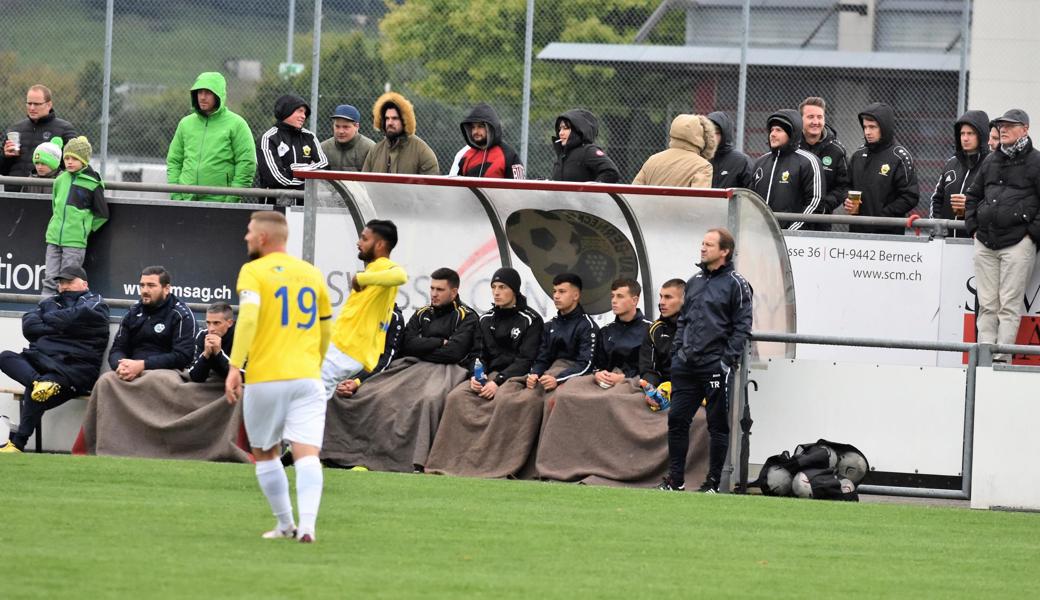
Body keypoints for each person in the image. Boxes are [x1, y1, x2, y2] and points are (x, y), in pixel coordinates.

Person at [224, 211, 333, 543]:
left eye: (248, 232)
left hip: (266, 376)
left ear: (262, 238)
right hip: (307, 376)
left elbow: (248, 319)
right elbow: (326, 326)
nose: (245, 237)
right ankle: (309, 526)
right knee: (307, 452)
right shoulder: (312, 273)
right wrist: (314, 361)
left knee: (265, 451)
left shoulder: (253, 271)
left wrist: (235, 366)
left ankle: (286, 523)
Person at [322, 268, 478, 473]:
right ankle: (340, 454)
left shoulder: (468, 317)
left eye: (440, 289)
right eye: (432, 288)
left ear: (454, 292)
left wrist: (424, 347)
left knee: (428, 400)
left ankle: (413, 462)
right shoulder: (422, 313)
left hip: (448, 371)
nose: (434, 294)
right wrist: (439, 342)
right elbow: (408, 345)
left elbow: (454, 353)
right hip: (411, 366)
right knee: (378, 394)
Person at [424, 267, 544, 478]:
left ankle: (497, 466)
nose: (496, 292)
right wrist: (476, 376)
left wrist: (497, 381)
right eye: (494, 287)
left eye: (502, 287)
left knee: (505, 402)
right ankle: (449, 462)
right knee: (456, 397)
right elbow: (478, 354)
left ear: (514, 290)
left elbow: (525, 360)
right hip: (488, 376)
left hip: (515, 377)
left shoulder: (531, 319)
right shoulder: (485, 319)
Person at [659, 228, 753, 493]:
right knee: (677, 420)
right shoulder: (695, 280)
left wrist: (725, 361)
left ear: (725, 251)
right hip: (685, 366)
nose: (702, 248)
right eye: (702, 243)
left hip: (714, 366)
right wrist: (678, 352)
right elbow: (684, 320)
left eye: (709, 244)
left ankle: (712, 484)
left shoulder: (737, 283)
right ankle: (675, 481)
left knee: (717, 425)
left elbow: (742, 326)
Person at [0, 266, 109, 453]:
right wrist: (62, 325)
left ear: (84, 283)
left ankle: (17, 444)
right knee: (6, 357)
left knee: (39, 391)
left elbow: (77, 316)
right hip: (42, 361)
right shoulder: (50, 301)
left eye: (69, 281)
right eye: (60, 282)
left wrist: (48, 321)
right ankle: (38, 382)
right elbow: (29, 326)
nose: (63, 286)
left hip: (74, 368)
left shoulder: (95, 302)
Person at [965, 109, 1040, 364]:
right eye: (1001, 125)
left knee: (1009, 306)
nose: (1003, 129)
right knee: (987, 305)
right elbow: (973, 195)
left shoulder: (1036, 161)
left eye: (1010, 125)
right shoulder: (991, 160)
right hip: (985, 241)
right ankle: (986, 361)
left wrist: (1031, 235)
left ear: (1025, 129)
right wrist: (973, 226)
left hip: (1018, 243)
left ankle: (1001, 361)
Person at [318, 219, 407, 399]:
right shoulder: (374, 269)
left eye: (364, 239)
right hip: (341, 346)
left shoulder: (385, 267)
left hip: (348, 350)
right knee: (309, 399)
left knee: (307, 398)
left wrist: (361, 279)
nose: (358, 243)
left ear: (380, 244)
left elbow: (401, 275)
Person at [166, 72, 256, 202]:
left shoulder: (237, 124)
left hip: (220, 203)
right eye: (199, 92)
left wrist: (232, 199)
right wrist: (176, 195)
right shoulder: (185, 124)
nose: (202, 97)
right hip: (185, 201)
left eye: (208, 93)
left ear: (218, 95)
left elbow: (246, 163)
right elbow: (174, 160)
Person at [42, 136, 108, 296]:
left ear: (84, 160)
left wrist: (83, 229)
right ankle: (45, 310)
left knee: (69, 281)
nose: (69, 162)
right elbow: (55, 206)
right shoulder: (59, 180)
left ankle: (66, 313)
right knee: (49, 279)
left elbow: (102, 214)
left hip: (75, 243)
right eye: (67, 158)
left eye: (74, 158)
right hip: (53, 238)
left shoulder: (93, 183)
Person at [105, 266, 196, 381]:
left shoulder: (181, 315)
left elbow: (183, 356)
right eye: (142, 285)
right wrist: (121, 366)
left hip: (167, 372)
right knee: (106, 380)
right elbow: (117, 348)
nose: (145, 291)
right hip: (131, 368)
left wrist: (143, 365)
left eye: (151, 286)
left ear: (166, 289)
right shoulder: (133, 312)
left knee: (153, 380)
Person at [844, 102, 919, 235]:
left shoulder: (900, 157)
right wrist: (847, 200)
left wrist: (882, 216)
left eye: (872, 127)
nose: (867, 132)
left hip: (888, 235)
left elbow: (910, 196)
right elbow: (846, 185)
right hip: (857, 232)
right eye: (865, 127)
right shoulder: (858, 155)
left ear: (884, 127)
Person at [750, 109, 823, 231]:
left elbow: (815, 202)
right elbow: (751, 200)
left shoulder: (808, 161)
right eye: (772, 130)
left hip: (794, 239)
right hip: (760, 235)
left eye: (779, 130)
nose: (773, 134)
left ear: (791, 134)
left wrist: (791, 231)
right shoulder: (760, 162)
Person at [527, 273, 599, 397]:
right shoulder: (549, 325)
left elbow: (586, 364)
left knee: (554, 398)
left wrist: (558, 379)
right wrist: (534, 374)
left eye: (562, 291)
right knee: (524, 397)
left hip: (573, 378)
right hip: (548, 375)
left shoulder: (587, 326)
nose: (556, 296)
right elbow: (542, 358)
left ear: (575, 295)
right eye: (554, 291)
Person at [1, 85, 77, 190]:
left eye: (37, 104)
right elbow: (3, 170)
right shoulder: (15, 129)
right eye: (29, 103)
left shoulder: (64, 129)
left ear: (49, 104)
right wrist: (5, 156)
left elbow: (74, 166)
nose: (32, 108)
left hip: (46, 196)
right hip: (14, 195)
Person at [255, 94, 328, 203]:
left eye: (304, 112)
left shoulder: (310, 136)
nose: (303, 116)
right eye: (299, 111)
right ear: (286, 111)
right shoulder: (268, 138)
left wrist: (295, 169)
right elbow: (275, 178)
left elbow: (324, 165)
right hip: (273, 207)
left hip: (305, 206)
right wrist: (305, 182)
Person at [930, 110, 990, 237]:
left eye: (971, 133)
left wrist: (969, 207)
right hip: (945, 240)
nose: (965, 138)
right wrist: (936, 229)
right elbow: (936, 199)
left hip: (974, 241)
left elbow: (995, 203)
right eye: (962, 133)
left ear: (981, 135)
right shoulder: (951, 163)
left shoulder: (991, 164)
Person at [798, 97, 849, 230]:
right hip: (791, 219)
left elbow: (843, 186)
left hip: (821, 223)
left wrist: (823, 207)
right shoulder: (791, 147)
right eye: (810, 117)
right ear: (800, 120)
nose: (816, 122)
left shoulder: (837, 150)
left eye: (819, 117)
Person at [333, 305, 404, 399]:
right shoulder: (357, 310)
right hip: (348, 368)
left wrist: (357, 381)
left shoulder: (394, 317)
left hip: (372, 372)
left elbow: (386, 360)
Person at [362, 92, 439, 175]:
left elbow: (430, 186)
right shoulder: (375, 151)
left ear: (405, 120)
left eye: (395, 118)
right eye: (387, 118)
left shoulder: (422, 152)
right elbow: (363, 185)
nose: (390, 123)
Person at [632, 114, 716, 188]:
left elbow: (633, 193)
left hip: (650, 206)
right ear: (702, 136)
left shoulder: (652, 160)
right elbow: (700, 201)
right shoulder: (702, 166)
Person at [639, 278, 686, 391]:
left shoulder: (698, 328)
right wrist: (651, 389)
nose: (661, 302)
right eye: (661, 296)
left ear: (685, 300)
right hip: (661, 389)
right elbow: (649, 369)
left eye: (668, 297)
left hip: (690, 391)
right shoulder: (655, 329)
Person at [456, 103, 525, 179]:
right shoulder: (466, 155)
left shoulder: (508, 155)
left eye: (480, 126)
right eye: (473, 127)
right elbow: (458, 187)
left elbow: (519, 187)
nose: (475, 131)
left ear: (491, 128)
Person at [550, 109, 620, 183]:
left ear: (578, 130)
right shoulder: (562, 155)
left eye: (566, 128)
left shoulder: (588, 151)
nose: (560, 133)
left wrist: (592, 189)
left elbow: (611, 172)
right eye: (560, 129)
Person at [188, 302, 236, 383]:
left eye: (216, 323)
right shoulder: (203, 336)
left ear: (229, 323)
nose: (211, 329)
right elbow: (196, 378)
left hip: (236, 383)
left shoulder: (240, 337)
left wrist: (219, 353)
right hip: (213, 381)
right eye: (208, 323)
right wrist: (206, 354)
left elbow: (243, 376)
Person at [320, 104, 375, 172]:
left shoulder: (370, 148)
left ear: (356, 127)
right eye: (337, 126)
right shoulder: (323, 148)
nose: (341, 131)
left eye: (346, 127)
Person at [706, 111, 753, 189]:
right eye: (709, 132)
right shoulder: (699, 158)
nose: (712, 137)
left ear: (725, 134)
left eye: (717, 132)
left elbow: (750, 195)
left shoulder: (741, 161)